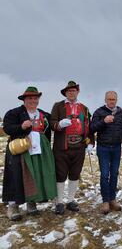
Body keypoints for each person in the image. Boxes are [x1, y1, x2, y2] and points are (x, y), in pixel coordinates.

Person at [2, 86, 57, 220]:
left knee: (35, 175)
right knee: (17, 176)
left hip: (39, 150)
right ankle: (13, 206)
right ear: (24, 100)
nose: (33, 100)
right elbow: (7, 128)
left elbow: (50, 129)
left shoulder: (44, 114)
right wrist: (20, 127)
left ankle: (32, 203)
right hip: (21, 149)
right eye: (30, 98)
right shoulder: (14, 113)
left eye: (35, 98)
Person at [50, 81, 94, 215]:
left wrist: (91, 142)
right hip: (62, 147)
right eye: (69, 91)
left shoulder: (84, 108)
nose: (72, 93)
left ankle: (70, 200)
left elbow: (89, 126)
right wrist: (59, 124)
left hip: (79, 146)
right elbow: (52, 123)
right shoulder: (58, 106)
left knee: (75, 174)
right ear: (66, 93)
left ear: (77, 92)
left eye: (74, 90)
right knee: (61, 174)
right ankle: (59, 202)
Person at [91, 91, 122, 214]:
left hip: (117, 148)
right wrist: (104, 121)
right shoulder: (99, 112)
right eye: (109, 99)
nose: (112, 101)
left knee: (114, 173)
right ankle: (105, 201)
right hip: (103, 148)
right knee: (104, 174)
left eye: (114, 99)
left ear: (116, 100)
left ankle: (112, 199)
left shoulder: (121, 113)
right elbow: (92, 128)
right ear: (105, 100)